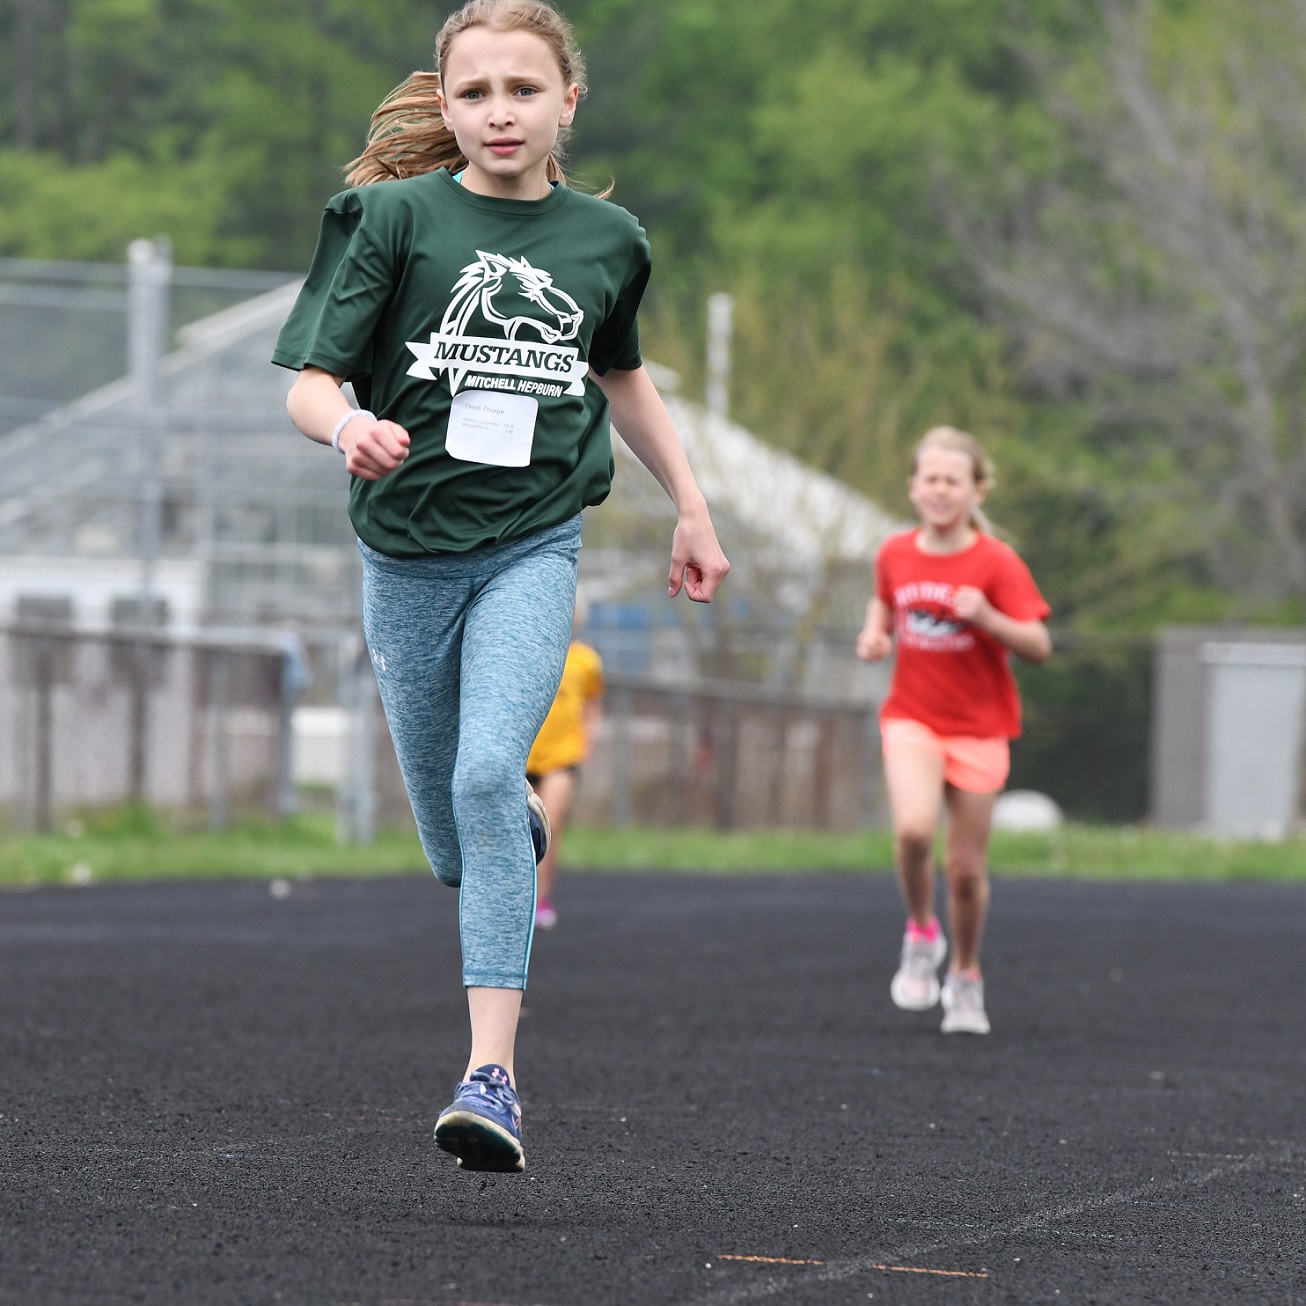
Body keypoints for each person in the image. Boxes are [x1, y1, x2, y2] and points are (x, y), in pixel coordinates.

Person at [272, 0, 728, 1173]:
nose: (499, 112)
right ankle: (498, 833)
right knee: (458, 843)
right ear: (446, 103)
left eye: (522, 90)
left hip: (534, 544)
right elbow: (308, 383)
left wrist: (691, 502)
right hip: (406, 557)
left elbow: (621, 379)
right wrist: (351, 428)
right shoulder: (387, 219)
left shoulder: (606, 239)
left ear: (567, 101)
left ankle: (491, 1076)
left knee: (489, 773)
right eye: (474, 93)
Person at [855, 427, 1049, 1035]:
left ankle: (965, 976)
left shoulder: (997, 561)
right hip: (913, 716)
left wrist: (987, 616)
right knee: (914, 832)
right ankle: (920, 934)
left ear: (976, 489)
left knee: (964, 872)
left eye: (952, 480)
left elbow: (1039, 645)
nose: (940, 490)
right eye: (930, 479)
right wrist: (875, 632)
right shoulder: (894, 552)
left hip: (979, 728)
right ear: (914, 487)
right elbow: (884, 600)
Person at [526, 593, 604, 931]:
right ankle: (517, 900)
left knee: (549, 825)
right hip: (525, 754)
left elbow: (593, 706)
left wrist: (588, 743)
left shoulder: (586, 661)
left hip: (563, 757)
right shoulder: (530, 652)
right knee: (517, 831)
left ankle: (542, 899)